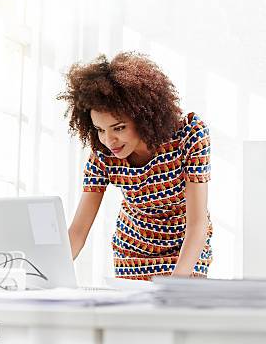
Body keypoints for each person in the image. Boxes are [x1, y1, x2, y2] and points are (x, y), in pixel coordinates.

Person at [58, 52, 212, 279]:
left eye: (118, 128)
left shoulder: (189, 135)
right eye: (101, 130)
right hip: (133, 252)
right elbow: (78, 232)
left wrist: (176, 284)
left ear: (143, 117)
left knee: (178, 311)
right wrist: (45, 274)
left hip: (186, 245)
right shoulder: (103, 154)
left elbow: (197, 224)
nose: (109, 141)